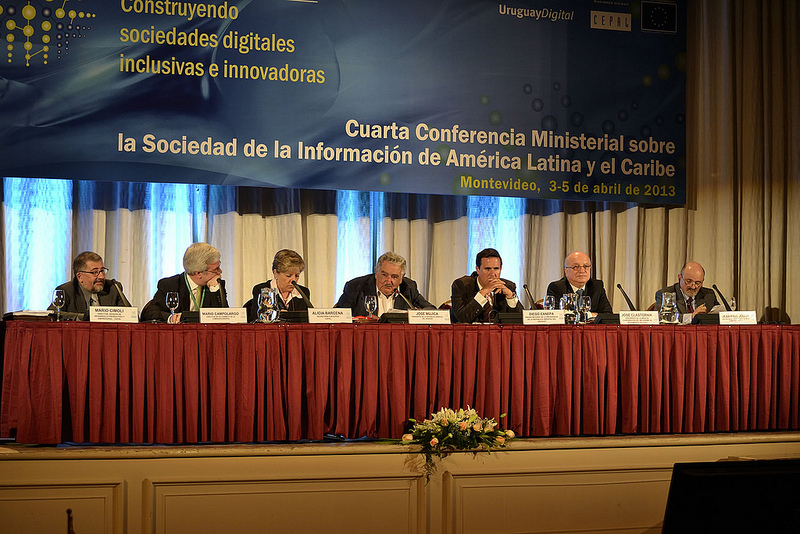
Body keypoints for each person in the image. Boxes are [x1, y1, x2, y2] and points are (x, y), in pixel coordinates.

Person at [140, 242, 228, 323]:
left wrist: (214, 290)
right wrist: (170, 317)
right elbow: (150, 312)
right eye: (216, 269)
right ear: (198, 273)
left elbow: (225, 318)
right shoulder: (170, 285)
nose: (220, 271)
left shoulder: (216, 284)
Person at [334, 252, 434, 317]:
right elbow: (339, 316)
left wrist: (418, 314)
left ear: (401, 278)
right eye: (384, 275)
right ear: (376, 273)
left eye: (394, 277)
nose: (388, 280)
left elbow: (432, 310)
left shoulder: (408, 287)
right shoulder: (356, 287)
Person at [48, 251, 132, 317]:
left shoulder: (113, 287)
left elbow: (131, 316)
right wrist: (83, 317)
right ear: (80, 277)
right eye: (95, 272)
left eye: (102, 271)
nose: (101, 276)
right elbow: (53, 314)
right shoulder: (66, 291)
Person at [450, 248, 523, 323]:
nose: (492, 274)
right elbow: (462, 318)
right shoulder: (462, 285)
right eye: (487, 269)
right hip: (471, 333)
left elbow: (522, 320)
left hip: (499, 334)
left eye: (496, 269)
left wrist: (510, 296)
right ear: (478, 270)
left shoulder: (508, 286)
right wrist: (482, 293)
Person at [247, 249, 311, 322]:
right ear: (276, 273)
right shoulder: (261, 289)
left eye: (297, 276)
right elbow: (255, 321)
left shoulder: (303, 292)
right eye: (288, 275)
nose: (294, 280)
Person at [546, 250, 613, 314]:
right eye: (576, 267)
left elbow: (608, 315)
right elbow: (556, 317)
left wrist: (589, 315)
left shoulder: (597, 286)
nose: (582, 270)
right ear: (566, 271)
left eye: (586, 266)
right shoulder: (556, 288)